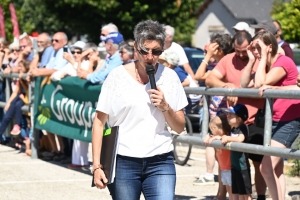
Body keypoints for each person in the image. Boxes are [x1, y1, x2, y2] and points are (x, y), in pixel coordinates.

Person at [92, 20, 188, 200]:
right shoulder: (117, 77)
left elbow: (179, 127)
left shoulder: (170, 77)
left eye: (156, 51)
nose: (150, 56)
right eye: (145, 50)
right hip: (123, 161)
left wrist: (165, 107)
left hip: (161, 160)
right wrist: (97, 166)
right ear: (135, 47)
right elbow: (98, 123)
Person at [205, 31, 267, 200]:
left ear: (252, 45)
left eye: (244, 50)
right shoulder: (228, 59)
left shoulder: (259, 60)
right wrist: (227, 85)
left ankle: (260, 195)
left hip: (256, 119)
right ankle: (233, 195)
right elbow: (210, 79)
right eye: (237, 50)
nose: (240, 54)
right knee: (233, 163)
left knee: (259, 163)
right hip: (234, 120)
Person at [241, 30, 300, 200]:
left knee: (265, 167)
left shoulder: (283, 62)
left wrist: (263, 56)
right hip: (275, 120)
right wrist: (252, 59)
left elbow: (261, 83)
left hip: (289, 120)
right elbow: (245, 84)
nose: (256, 51)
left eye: (258, 47)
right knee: (277, 169)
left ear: (270, 46)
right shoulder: (265, 66)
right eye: (254, 48)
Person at [222, 104, 252, 200]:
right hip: (234, 166)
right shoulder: (233, 129)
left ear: (239, 119)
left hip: (242, 166)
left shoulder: (243, 127)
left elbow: (240, 139)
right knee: (239, 192)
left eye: (231, 115)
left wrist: (227, 138)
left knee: (246, 193)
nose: (228, 116)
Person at [204, 115, 232, 200]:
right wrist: (209, 135)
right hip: (224, 169)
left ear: (220, 129)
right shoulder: (215, 137)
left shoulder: (225, 137)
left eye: (213, 128)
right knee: (228, 188)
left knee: (232, 191)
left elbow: (225, 139)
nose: (211, 131)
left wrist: (219, 138)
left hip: (230, 169)